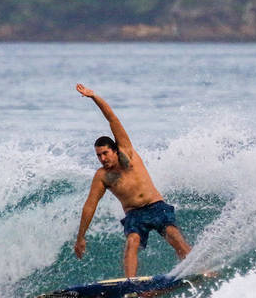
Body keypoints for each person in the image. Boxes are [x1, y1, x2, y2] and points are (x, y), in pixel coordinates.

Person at [73, 84, 191, 277]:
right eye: (98, 156)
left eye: (105, 153)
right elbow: (89, 206)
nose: (102, 159)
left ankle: (195, 270)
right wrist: (81, 238)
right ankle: (129, 285)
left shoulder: (127, 152)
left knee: (174, 236)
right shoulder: (102, 176)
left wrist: (94, 97)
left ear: (114, 150)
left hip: (155, 205)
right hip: (134, 214)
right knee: (132, 242)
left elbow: (112, 119)